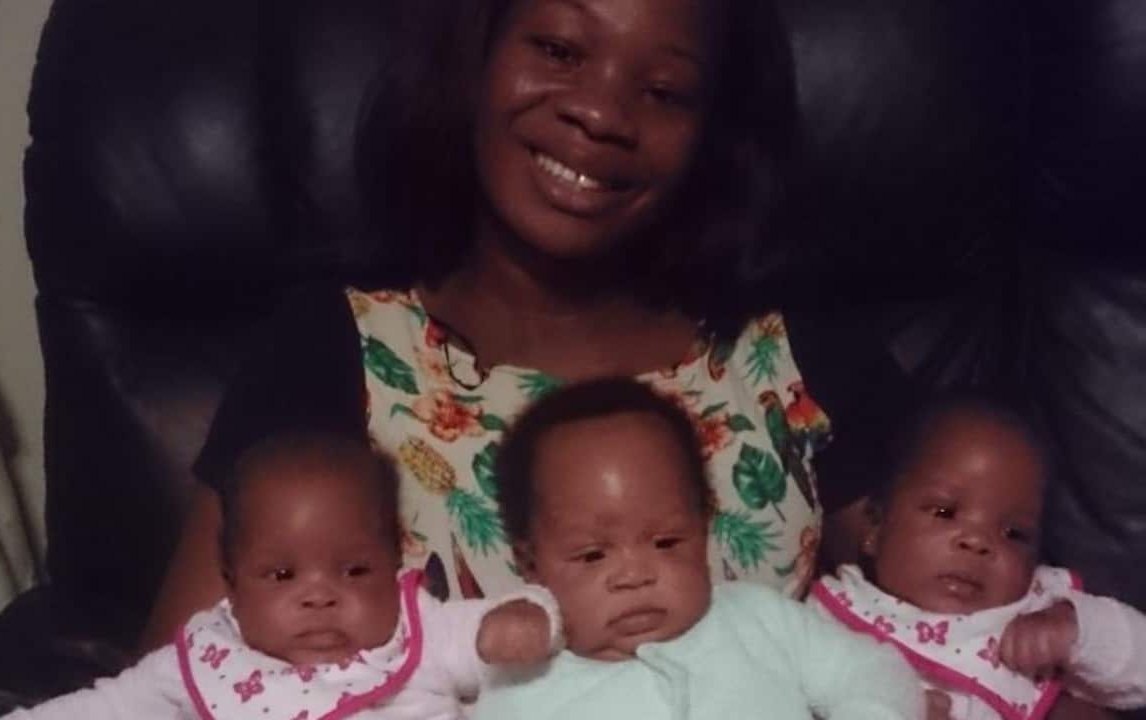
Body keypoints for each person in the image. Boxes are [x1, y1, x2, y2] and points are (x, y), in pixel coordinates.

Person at [142, 0, 905, 647]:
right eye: (558, 49)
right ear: (476, 57)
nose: (602, 113)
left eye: (666, 90)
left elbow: (964, 610)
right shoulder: (331, 345)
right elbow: (184, 681)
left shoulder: (790, 341)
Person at [0, 432, 561, 720]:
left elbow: (496, 632)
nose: (319, 595)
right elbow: (106, 710)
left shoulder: (418, 632)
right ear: (232, 585)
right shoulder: (207, 661)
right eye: (283, 574)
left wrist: (527, 619)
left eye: (355, 570)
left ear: (395, 566)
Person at [471, 377, 924, 719]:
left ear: (704, 528)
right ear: (530, 563)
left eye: (666, 542)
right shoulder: (521, 690)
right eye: (593, 555)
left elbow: (874, 672)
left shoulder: (759, 619)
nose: (635, 575)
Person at [811, 395, 1146, 720]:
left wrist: (1078, 632)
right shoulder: (831, 621)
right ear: (874, 526)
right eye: (944, 512)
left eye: (1014, 534)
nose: (977, 541)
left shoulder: (1036, 610)